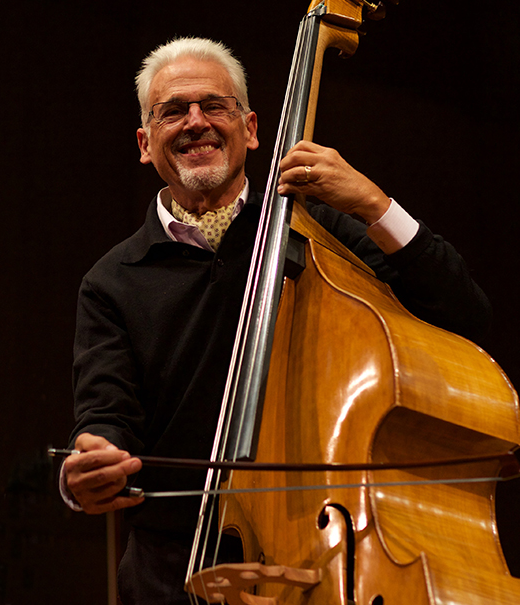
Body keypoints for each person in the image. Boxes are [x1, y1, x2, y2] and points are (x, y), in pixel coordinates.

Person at [62, 37, 491, 604]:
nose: (196, 123)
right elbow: (105, 415)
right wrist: (91, 462)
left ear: (252, 128)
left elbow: (465, 315)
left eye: (214, 106)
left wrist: (373, 203)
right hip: (172, 573)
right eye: (173, 112)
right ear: (145, 144)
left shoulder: (319, 231)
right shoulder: (111, 281)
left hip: (320, 560)